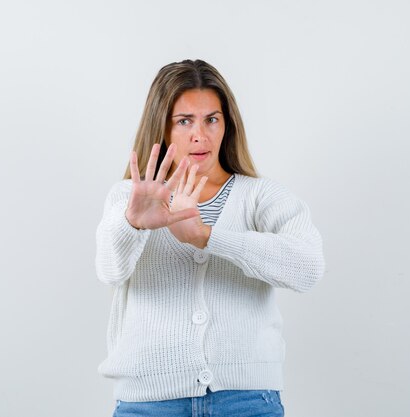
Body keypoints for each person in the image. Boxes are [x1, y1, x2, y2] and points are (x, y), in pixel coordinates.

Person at [96, 59, 325, 417]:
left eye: (211, 119)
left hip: (246, 401)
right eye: (184, 121)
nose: (199, 135)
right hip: (149, 403)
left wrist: (209, 238)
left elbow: (308, 267)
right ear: (162, 127)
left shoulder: (261, 196)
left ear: (227, 125)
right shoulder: (130, 196)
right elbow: (109, 270)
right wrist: (133, 224)